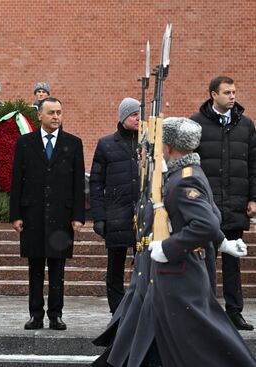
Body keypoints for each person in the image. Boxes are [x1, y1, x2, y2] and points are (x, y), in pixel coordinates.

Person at [128, 117, 255, 367]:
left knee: (199, 341)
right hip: (177, 273)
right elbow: (211, 215)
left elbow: (206, 222)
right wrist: (221, 242)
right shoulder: (185, 174)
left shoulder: (184, 179)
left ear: (170, 147)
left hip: (181, 273)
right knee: (181, 340)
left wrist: (168, 247)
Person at [9, 97, 85, 330]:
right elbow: (17, 182)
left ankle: (55, 314)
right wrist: (16, 215)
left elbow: (78, 182)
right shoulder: (25, 143)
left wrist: (78, 215)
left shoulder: (73, 143)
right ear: (39, 116)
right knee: (35, 268)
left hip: (61, 217)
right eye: (51, 112)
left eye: (59, 112)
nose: (55, 117)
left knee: (57, 268)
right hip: (33, 216)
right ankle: (35, 314)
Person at [190, 76, 256, 331]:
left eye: (234, 92)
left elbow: (252, 164)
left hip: (235, 202)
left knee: (233, 261)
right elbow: (190, 163)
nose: (232, 96)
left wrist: (253, 198)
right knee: (204, 259)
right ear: (212, 94)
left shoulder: (246, 125)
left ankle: (234, 312)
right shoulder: (196, 123)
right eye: (227, 92)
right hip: (205, 205)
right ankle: (205, 310)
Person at [90, 97, 140, 314]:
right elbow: (96, 182)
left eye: (140, 114)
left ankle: (140, 306)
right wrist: (99, 217)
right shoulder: (106, 144)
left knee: (143, 266)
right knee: (115, 266)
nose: (138, 118)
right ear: (123, 117)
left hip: (142, 215)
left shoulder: (148, 143)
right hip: (117, 214)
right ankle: (117, 310)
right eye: (134, 114)